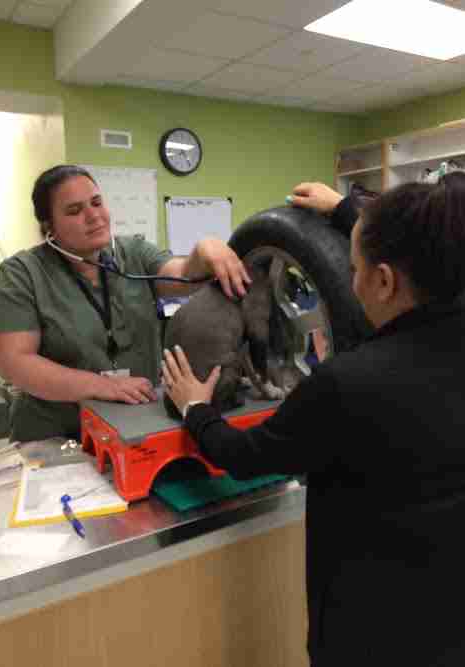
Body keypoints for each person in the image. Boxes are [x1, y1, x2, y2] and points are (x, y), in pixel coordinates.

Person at [162, 174, 465, 666]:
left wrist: (195, 408)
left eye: (353, 269)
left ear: (385, 281)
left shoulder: (349, 385)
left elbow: (245, 457)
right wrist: (346, 211)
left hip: (368, 635)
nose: (349, 281)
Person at [0, 165, 250, 443]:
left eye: (97, 203)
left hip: (134, 427)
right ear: (48, 226)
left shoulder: (134, 253)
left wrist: (205, 250)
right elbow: (14, 363)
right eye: (75, 211)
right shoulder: (22, 273)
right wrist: (103, 386)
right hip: (54, 434)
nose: (94, 216)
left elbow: (184, 275)